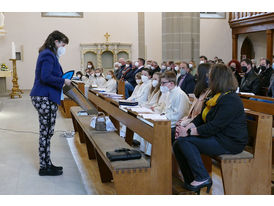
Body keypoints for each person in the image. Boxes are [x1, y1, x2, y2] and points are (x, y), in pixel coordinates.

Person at [173, 64, 248, 194]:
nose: (208, 78)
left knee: (184, 141)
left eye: (210, 76)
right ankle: (190, 179)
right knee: (178, 140)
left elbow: (215, 126)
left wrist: (189, 133)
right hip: (217, 136)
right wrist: (186, 127)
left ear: (218, 79)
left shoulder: (231, 99)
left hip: (229, 141)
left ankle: (202, 176)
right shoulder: (215, 95)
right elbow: (201, 118)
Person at [30, 30, 71, 176]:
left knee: (47, 132)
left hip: (45, 96)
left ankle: (47, 163)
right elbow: (45, 76)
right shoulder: (48, 54)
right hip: (43, 96)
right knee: (46, 133)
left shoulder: (50, 54)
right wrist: (63, 81)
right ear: (56, 42)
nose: (64, 48)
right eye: (63, 44)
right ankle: (44, 167)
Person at [160, 71, 190, 144]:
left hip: (175, 125)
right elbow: (166, 109)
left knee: (158, 129)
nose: (161, 85)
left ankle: (163, 153)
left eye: (163, 83)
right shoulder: (169, 92)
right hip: (168, 120)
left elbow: (179, 115)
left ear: (171, 83)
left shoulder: (180, 94)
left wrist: (164, 118)